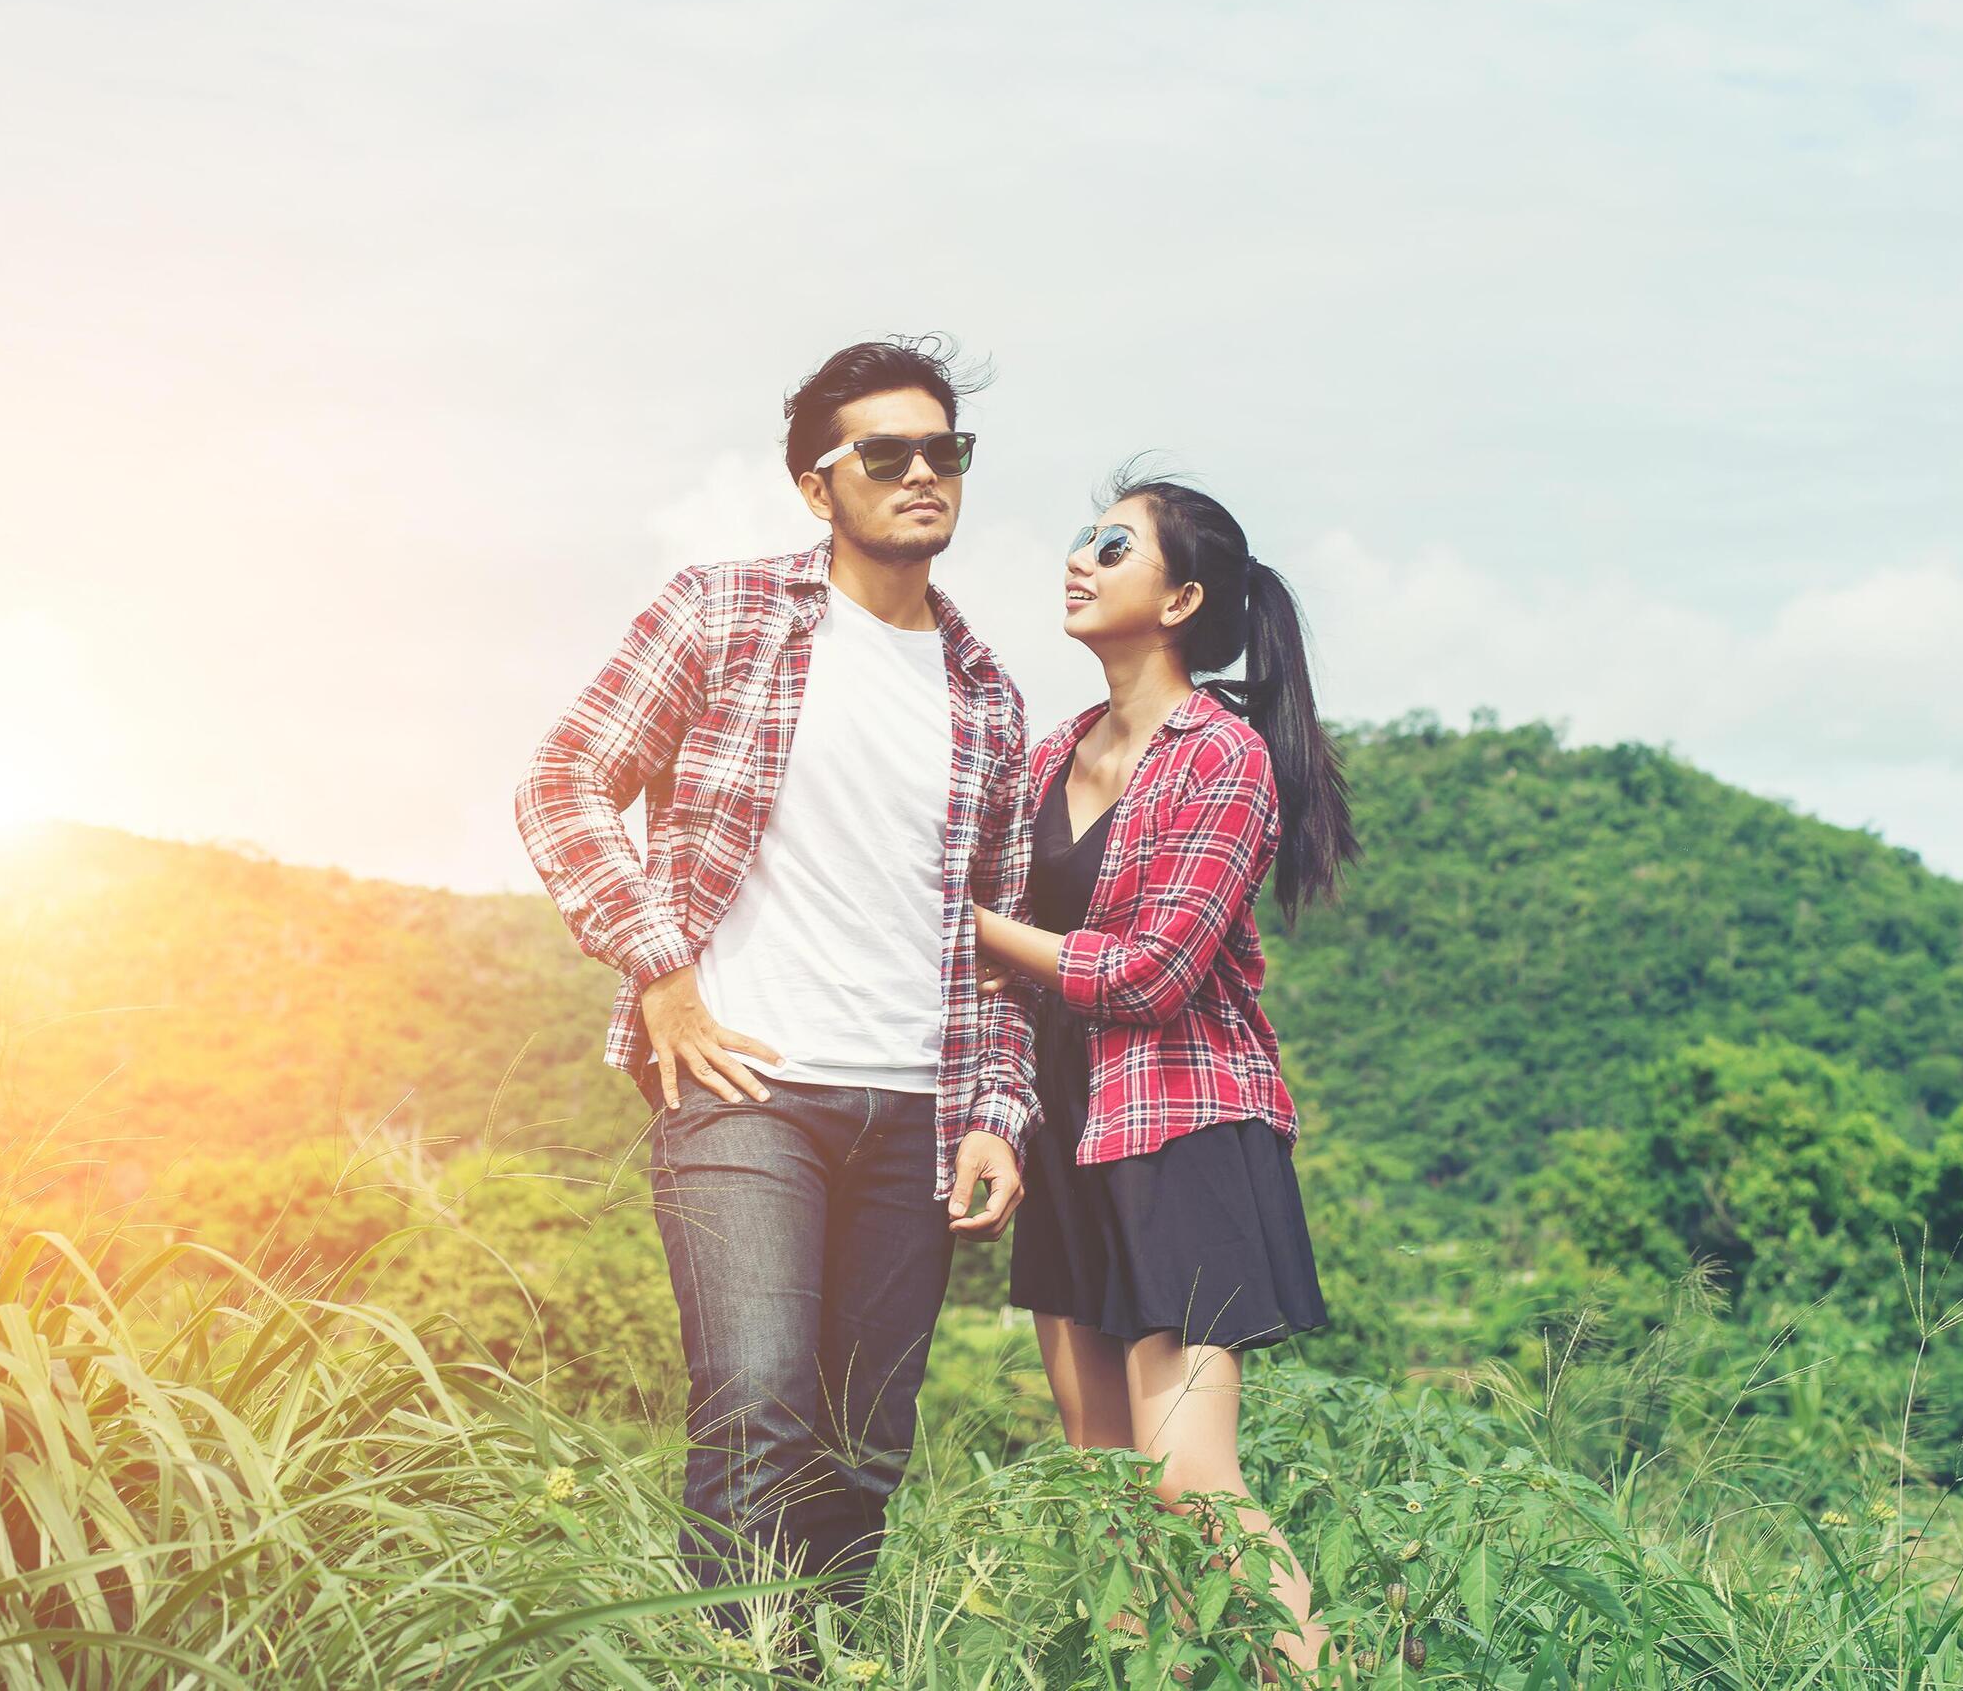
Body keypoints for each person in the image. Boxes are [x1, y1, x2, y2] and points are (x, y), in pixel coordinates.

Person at [514, 337, 1038, 1622]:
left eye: (944, 451)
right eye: (887, 453)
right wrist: (661, 972)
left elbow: (1000, 932)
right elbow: (564, 781)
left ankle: (821, 1663)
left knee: (862, 1451)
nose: (923, 474)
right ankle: (732, 1663)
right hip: (747, 1089)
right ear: (819, 486)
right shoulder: (724, 609)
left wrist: (994, 1112)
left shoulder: (989, 698)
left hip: (917, 1110)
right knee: (757, 1402)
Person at [972, 467, 1360, 1676]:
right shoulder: (1046, 756)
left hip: (1184, 1135)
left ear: (1182, 595)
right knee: (1106, 1492)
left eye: (1112, 546)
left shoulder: (1224, 758)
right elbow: (1006, 974)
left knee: (1192, 1482)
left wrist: (965, 919)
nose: (1077, 560)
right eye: (1082, 540)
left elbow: (1150, 976)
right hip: (1070, 1137)